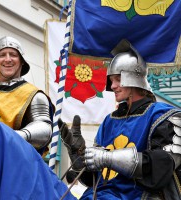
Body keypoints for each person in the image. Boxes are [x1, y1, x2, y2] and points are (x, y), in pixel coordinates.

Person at [58, 39, 181, 199]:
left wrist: (106, 158)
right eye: (111, 81)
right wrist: (80, 156)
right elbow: (96, 180)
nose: (113, 86)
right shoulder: (109, 121)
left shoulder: (162, 116)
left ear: (135, 78)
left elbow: (162, 166)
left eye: (118, 79)